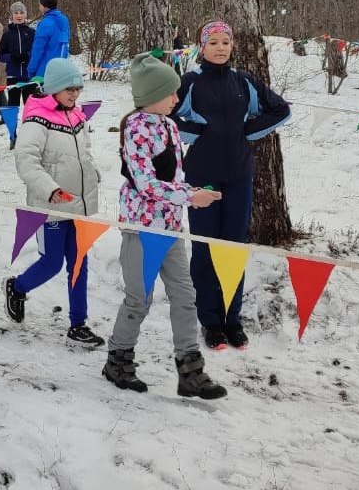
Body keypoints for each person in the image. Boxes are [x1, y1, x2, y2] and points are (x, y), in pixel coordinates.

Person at [103, 52, 227, 399]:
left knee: (186, 296)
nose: (177, 98)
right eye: (171, 93)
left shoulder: (170, 126)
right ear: (151, 95)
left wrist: (194, 192)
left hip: (171, 227)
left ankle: (190, 370)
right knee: (138, 299)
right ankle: (118, 359)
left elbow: (173, 177)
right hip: (143, 228)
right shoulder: (136, 129)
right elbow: (145, 184)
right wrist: (190, 197)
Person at [175, 21, 291, 350]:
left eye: (226, 41)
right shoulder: (190, 82)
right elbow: (165, 114)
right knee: (205, 248)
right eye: (213, 42)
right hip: (201, 176)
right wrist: (195, 133)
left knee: (233, 248)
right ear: (201, 47)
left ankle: (232, 319)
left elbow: (280, 110)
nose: (221, 47)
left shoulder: (243, 81)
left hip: (239, 174)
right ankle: (210, 321)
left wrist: (246, 132)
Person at [3, 57, 104, 346]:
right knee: (52, 264)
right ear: (53, 88)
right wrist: (50, 189)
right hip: (51, 207)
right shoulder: (36, 119)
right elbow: (26, 160)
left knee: (78, 263)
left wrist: (93, 174)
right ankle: (17, 287)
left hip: (80, 205)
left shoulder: (78, 117)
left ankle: (78, 324)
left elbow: (84, 153)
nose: (74, 94)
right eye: (69, 89)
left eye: (78, 89)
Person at [0, 2, 36, 149]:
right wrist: (12, 57)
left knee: (31, 107)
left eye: (21, 12)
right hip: (13, 76)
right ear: (12, 16)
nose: (19, 15)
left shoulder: (32, 33)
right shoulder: (7, 35)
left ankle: (30, 137)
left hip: (28, 76)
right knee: (12, 108)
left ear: (25, 15)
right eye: (16, 13)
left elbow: (37, 51)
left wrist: (28, 56)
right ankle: (13, 136)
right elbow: (0, 56)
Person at [27, 0, 70, 82]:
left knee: (42, 96)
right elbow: (65, 45)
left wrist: (31, 70)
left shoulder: (45, 24)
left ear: (44, 6)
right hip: (60, 69)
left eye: (40, 5)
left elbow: (38, 49)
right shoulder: (64, 21)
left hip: (44, 71)